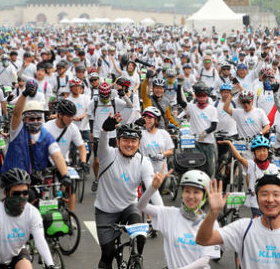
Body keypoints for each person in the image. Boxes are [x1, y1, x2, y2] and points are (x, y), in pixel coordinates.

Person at [196, 172, 280, 269]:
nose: (270, 199)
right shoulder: (243, 228)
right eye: (264, 194)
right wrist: (213, 213)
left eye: (276, 194)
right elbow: (203, 240)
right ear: (257, 199)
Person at [94, 114, 163, 269]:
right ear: (118, 142)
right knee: (108, 254)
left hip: (129, 208)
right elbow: (102, 145)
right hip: (106, 211)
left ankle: (136, 259)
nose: (129, 144)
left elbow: (152, 190)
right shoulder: (107, 156)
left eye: (133, 141)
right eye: (125, 140)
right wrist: (105, 130)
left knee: (140, 237)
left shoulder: (143, 162)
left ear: (139, 143)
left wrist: (164, 214)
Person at [138, 168, 220, 269]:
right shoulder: (170, 214)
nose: (191, 196)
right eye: (187, 191)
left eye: (196, 192)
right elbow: (141, 207)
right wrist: (152, 188)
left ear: (204, 196)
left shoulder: (211, 222)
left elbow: (205, 259)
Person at [1, 80, 71, 185]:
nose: (35, 121)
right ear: (25, 119)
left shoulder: (45, 134)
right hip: (14, 179)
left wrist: (65, 175)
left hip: (36, 179)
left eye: (38, 118)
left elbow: (57, 155)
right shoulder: (17, 131)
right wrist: (24, 94)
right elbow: (16, 115)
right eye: (31, 119)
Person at [0, 169, 58, 269]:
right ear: (6, 193)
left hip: (16, 254)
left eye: (25, 193)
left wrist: (50, 264)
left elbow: (40, 241)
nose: (21, 197)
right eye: (16, 193)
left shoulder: (32, 212)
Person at [218, 135, 278, 217]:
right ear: (254, 153)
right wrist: (230, 143)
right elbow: (239, 158)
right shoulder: (251, 164)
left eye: (264, 150)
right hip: (256, 203)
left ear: (268, 151)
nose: (262, 153)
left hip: (270, 202)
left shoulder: (273, 167)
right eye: (259, 151)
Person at [177, 81, 218, 178]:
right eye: (200, 95)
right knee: (197, 167)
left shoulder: (212, 109)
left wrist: (205, 132)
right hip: (195, 143)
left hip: (209, 143)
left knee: (209, 170)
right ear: (196, 96)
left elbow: (214, 126)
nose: (202, 98)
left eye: (204, 95)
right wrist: (179, 86)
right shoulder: (191, 107)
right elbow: (180, 102)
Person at [139, 107, 174, 174]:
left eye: (149, 118)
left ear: (156, 120)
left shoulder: (163, 133)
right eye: (145, 117)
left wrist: (162, 154)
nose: (147, 120)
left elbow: (170, 151)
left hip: (161, 172)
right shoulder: (140, 134)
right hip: (145, 172)